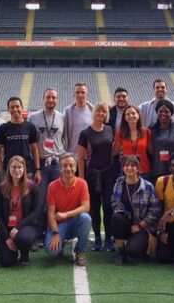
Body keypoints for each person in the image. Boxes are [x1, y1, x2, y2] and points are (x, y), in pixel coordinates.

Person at [28, 88, 66, 240]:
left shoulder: (62, 117)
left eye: (53, 98)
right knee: (39, 200)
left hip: (57, 163)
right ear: (43, 99)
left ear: (57, 100)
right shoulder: (33, 117)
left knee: (56, 200)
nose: (51, 100)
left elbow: (65, 139)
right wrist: (36, 168)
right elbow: (31, 142)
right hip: (41, 163)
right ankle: (37, 234)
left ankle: (52, 232)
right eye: (48, 97)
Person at [77, 102, 115, 252]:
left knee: (108, 206)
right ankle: (97, 238)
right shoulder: (85, 133)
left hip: (108, 174)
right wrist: (81, 178)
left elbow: (113, 150)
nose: (101, 114)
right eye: (98, 111)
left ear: (106, 114)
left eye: (103, 112)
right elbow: (81, 158)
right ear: (94, 113)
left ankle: (109, 239)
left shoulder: (110, 129)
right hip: (92, 175)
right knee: (94, 207)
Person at [0, 156, 44, 266]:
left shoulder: (32, 186)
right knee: (6, 262)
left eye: (19, 167)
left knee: (24, 239)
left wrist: (17, 228)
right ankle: (13, 249)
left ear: (24, 169)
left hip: (25, 226)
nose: (17, 170)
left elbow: (35, 211)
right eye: (13, 167)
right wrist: (7, 238)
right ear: (9, 169)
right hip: (6, 228)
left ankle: (24, 251)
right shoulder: (1, 188)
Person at [111, 155, 161, 265]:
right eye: (126, 165)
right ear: (123, 168)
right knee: (116, 217)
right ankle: (121, 251)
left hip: (143, 226)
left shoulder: (148, 186)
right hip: (126, 222)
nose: (129, 168)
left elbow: (155, 209)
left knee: (132, 252)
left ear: (138, 169)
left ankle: (141, 246)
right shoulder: (119, 183)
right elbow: (114, 202)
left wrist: (141, 225)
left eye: (133, 165)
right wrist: (124, 215)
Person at [45, 153, 92, 266]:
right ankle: (61, 244)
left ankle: (80, 251)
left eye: (71, 165)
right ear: (60, 168)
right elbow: (51, 213)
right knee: (52, 251)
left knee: (86, 218)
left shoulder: (82, 183)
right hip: (59, 225)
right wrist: (55, 233)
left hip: (75, 222)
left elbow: (86, 207)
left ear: (75, 167)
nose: (68, 168)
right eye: (65, 165)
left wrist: (66, 214)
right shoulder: (52, 186)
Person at [0, 97, 41, 184]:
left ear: (22, 107)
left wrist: (37, 169)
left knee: (27, 193)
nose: (15, 109)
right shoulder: (3, 128)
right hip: (8, 171)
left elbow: (35, 149)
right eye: (12, 107)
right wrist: (1, 170)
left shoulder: (30, 127)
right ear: (8, 109)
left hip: (27, 170)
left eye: (17, 106)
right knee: (8, 193)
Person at [149, 100, 174, 181]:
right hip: (157, 169)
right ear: (157, 112)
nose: (163, 114)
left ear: (172, 113)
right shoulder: (151, 129)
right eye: (160, 111)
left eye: (167, 112)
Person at [112, 105, 153, 180]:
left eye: (133, 113)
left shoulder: (146, 132)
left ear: (138, 115)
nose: (131, 116)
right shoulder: (120, 133)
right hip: (127, 171)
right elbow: (114, 152)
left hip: (144, 171)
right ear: (125, 118)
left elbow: (152, 152)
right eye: (128, 114)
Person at [63, 83, 94, 153]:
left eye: (83, 92)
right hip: (72, 154)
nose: (80, 95)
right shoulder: (67, 112)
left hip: (89, 154)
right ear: (73, 94)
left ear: (87, 95)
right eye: (77, 92)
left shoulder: (93, 111)